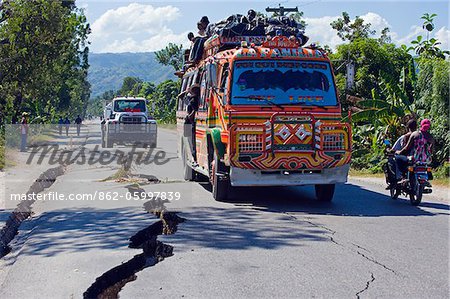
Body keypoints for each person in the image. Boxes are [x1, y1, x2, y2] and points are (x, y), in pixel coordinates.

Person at [386, 119, 417, 185]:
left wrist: (390, 150)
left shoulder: (404, 137)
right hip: (419, 158)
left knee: (396, 159)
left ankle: (400, 177)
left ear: (408, 127)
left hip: (407, 158)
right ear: (416, 127)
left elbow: (401, 149)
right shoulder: (420, 136)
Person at [184, 84, 200, 161]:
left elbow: (194, 111)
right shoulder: (191, 98)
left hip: (190, 123)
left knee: (190, 141)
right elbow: (181, 97)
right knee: (188, 140)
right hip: (188, 123)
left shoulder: (194, 99)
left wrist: (189, 116)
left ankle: (193, 156)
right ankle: (192, 156)